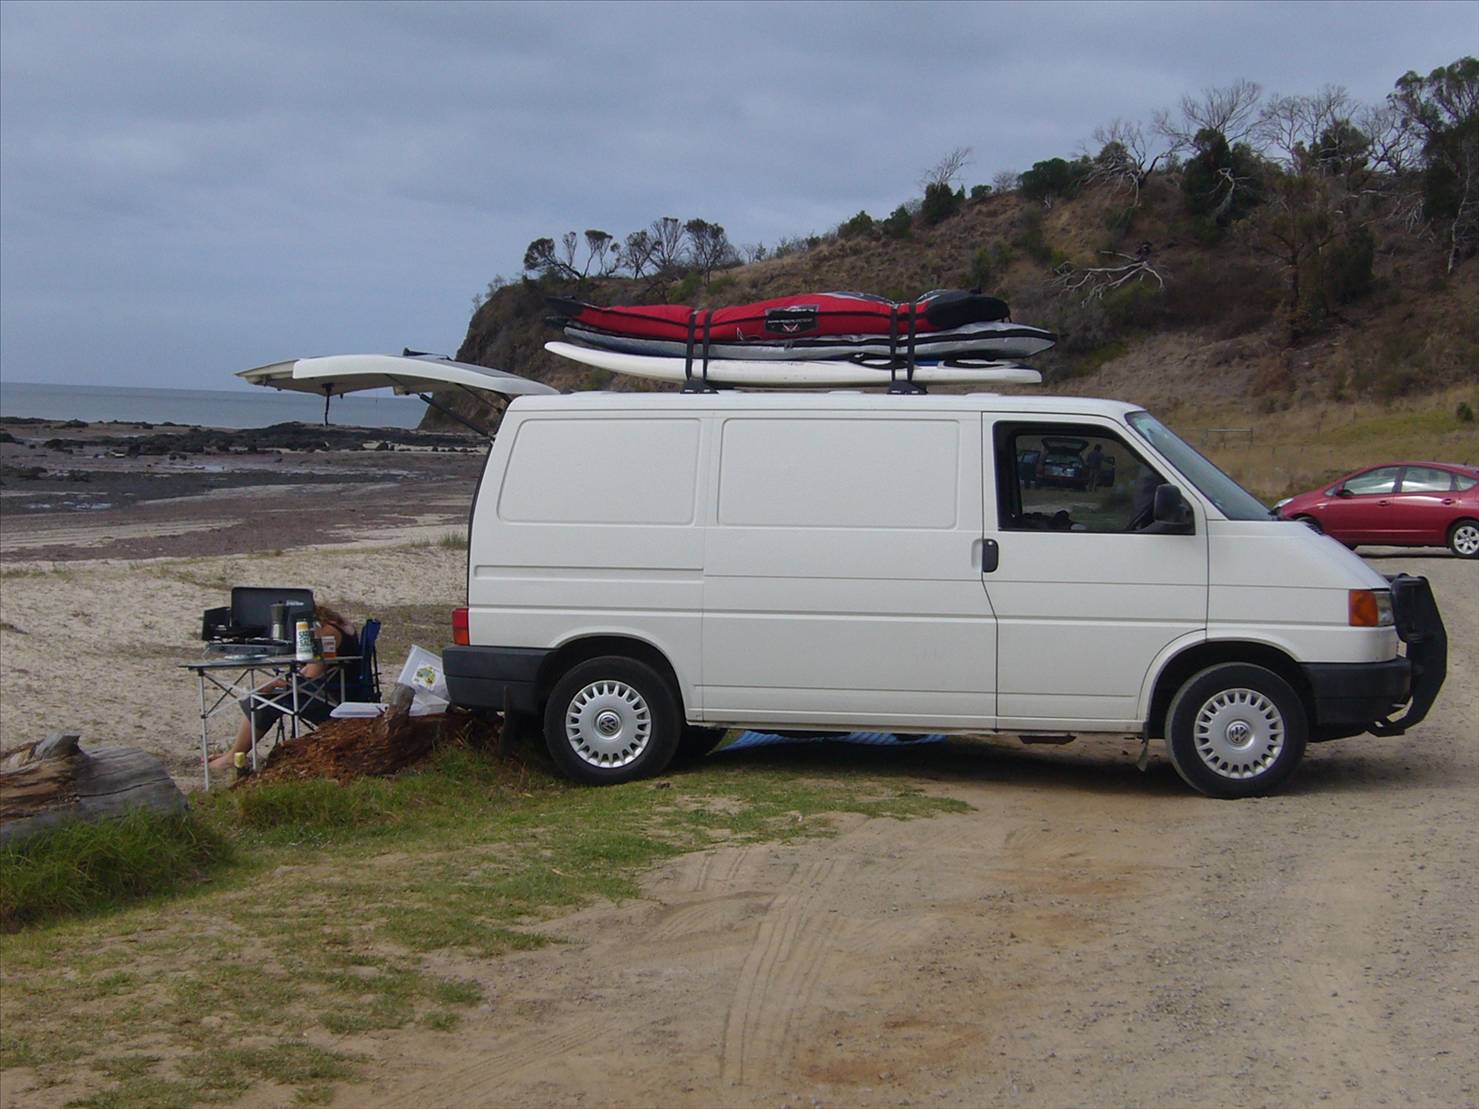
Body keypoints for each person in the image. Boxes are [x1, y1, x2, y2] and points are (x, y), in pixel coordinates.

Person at [208, 605, 361, 772]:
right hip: (343, 691)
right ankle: (233, 753)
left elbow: (311, 677)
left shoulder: (325, 632)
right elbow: (313, 671)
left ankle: (233, 756)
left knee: (261, 701)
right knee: (267, 692)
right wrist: (283, 681)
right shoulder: (339, 625)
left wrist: (280, 683)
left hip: (332, 698)